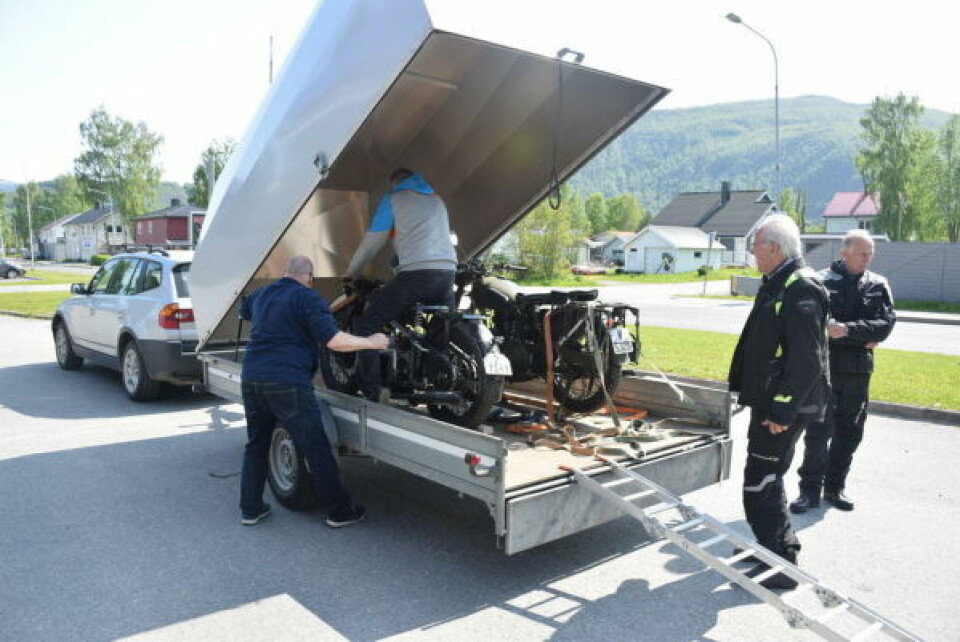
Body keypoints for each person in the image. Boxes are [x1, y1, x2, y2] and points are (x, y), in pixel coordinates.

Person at [239, 255, 389, 527]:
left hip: (252, 377)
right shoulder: (309, 299)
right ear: (310, 278)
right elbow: (334, 341)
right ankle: (339, 511)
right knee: (316, 446)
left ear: (285, 272)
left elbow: (244, 311)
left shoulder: (262, 294)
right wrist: (371, 341)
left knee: (256, 444)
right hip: (288, 381)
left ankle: (251, 509)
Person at [728, 214, 830, 590]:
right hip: (773, 403)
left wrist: (782, 410)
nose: (752, 254)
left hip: (784, 408)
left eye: (755, 247)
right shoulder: (778, 282)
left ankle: (781, 565)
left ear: (773, 247)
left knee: (762, 480)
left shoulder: (799, 288)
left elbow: (807, 360)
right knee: (765, 478)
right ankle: (770, 550)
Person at [790, 230, 896, 514]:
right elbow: (817, 327)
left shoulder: (877, 284)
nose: (868, 258)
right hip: (825, 370)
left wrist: (847, 330)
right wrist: (862, 336)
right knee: (818, 431)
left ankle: (835, 487)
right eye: (862, 253)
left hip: (859, 373)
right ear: (843, 252)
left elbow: (884, 326)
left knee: (850, 432)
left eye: (870, 253)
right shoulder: (821, 282)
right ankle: (808, 491)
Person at [343, 168, 458, 402]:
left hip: (417, 273)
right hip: (447, 272)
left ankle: (373, 390)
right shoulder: (436, 199)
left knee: (368, 324)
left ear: (395, 183)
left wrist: (351, 272)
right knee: (440, 331)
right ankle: (437, 377)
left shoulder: (394, 199)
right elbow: (420, 238)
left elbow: (372, 243)